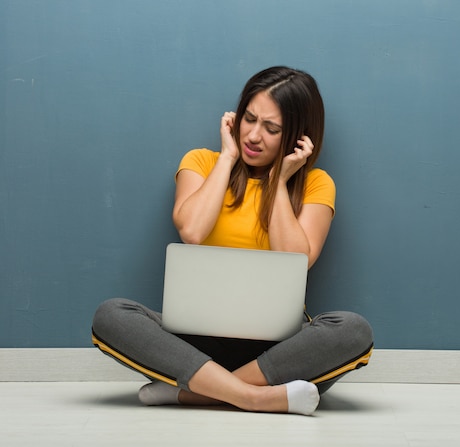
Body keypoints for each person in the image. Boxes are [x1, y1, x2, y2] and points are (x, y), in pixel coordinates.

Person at [91, 66, 373, 416]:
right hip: (193, 342)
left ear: (299, 136)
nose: (253, 136)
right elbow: (192, 231)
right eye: (249, 119)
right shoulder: (201, 162)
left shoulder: (316, 184)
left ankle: (194, 392)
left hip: (274, 350)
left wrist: (280, 181)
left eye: (272, 129)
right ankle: (254, 397)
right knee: (110, 316)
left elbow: (296, 258)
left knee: (352, 332)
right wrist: (227, 158)